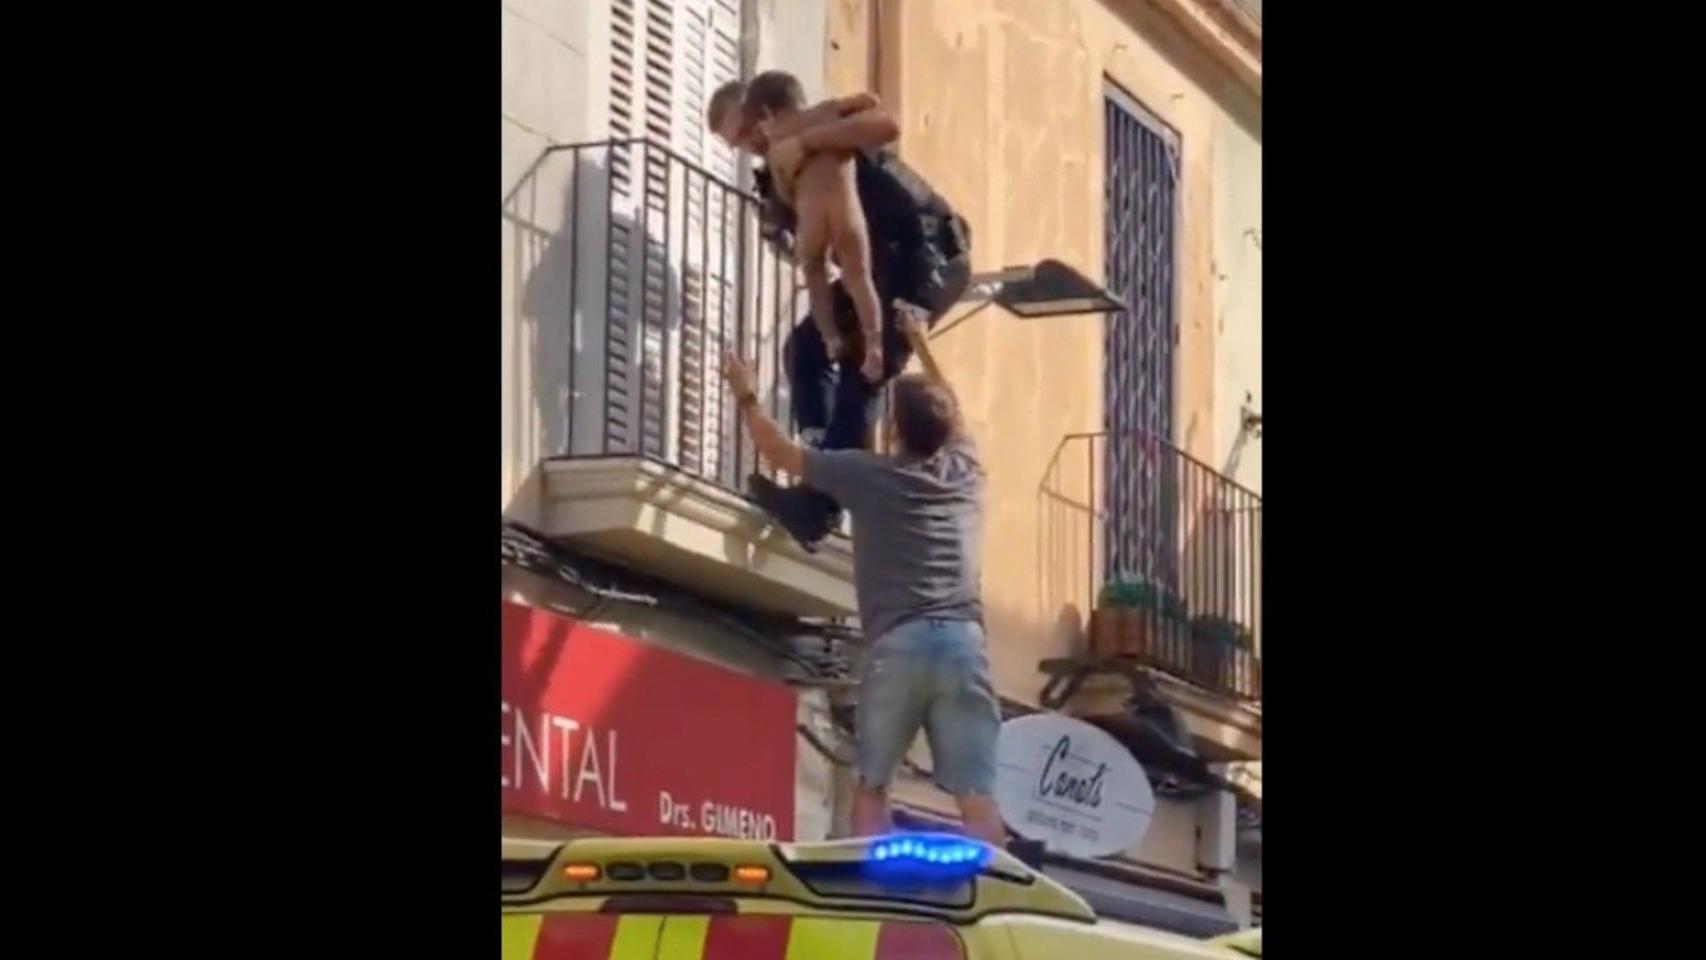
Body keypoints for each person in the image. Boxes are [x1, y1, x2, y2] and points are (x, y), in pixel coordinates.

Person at [718, 308, 1004, 844]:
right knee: (978, 799)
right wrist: (920, 340)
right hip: (965, 646)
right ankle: (997, 904)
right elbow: (956, 413)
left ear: (893, 431)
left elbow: (778, 451)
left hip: (898, 644)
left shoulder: (865, 475)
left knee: (872, 785)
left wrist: (746, 392)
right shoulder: (966, 473)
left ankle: (873, 895)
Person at [706, 73, 972, 551]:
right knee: (806, 349)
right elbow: (797, 244)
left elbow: (884, 122)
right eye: (739, 145)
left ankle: (820, 502)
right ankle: (826, 458)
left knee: (863, 372)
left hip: (926, 257)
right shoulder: (772, 174)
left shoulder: (821, 119)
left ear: (765, 113)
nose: (751, 147)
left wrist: (806, 141)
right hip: (873, 269)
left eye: (749, 132)